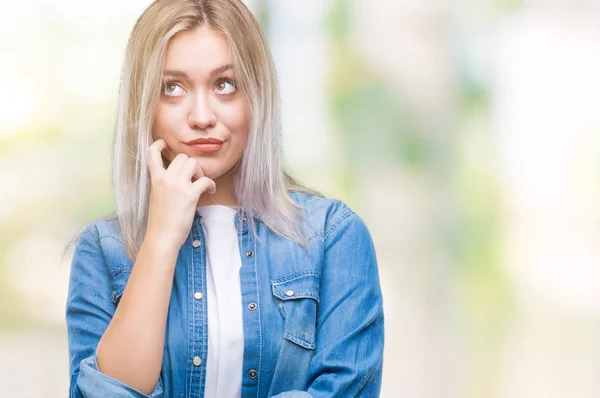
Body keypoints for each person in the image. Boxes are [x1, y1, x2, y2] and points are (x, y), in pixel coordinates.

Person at [65, 0, 384, 397]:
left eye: (224, 85)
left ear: (256, 95)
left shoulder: (333, 238)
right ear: (144, 105)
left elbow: (344, 389)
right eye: (173, 88)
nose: (201, 115)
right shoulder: (103, 251)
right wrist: (161, 240)